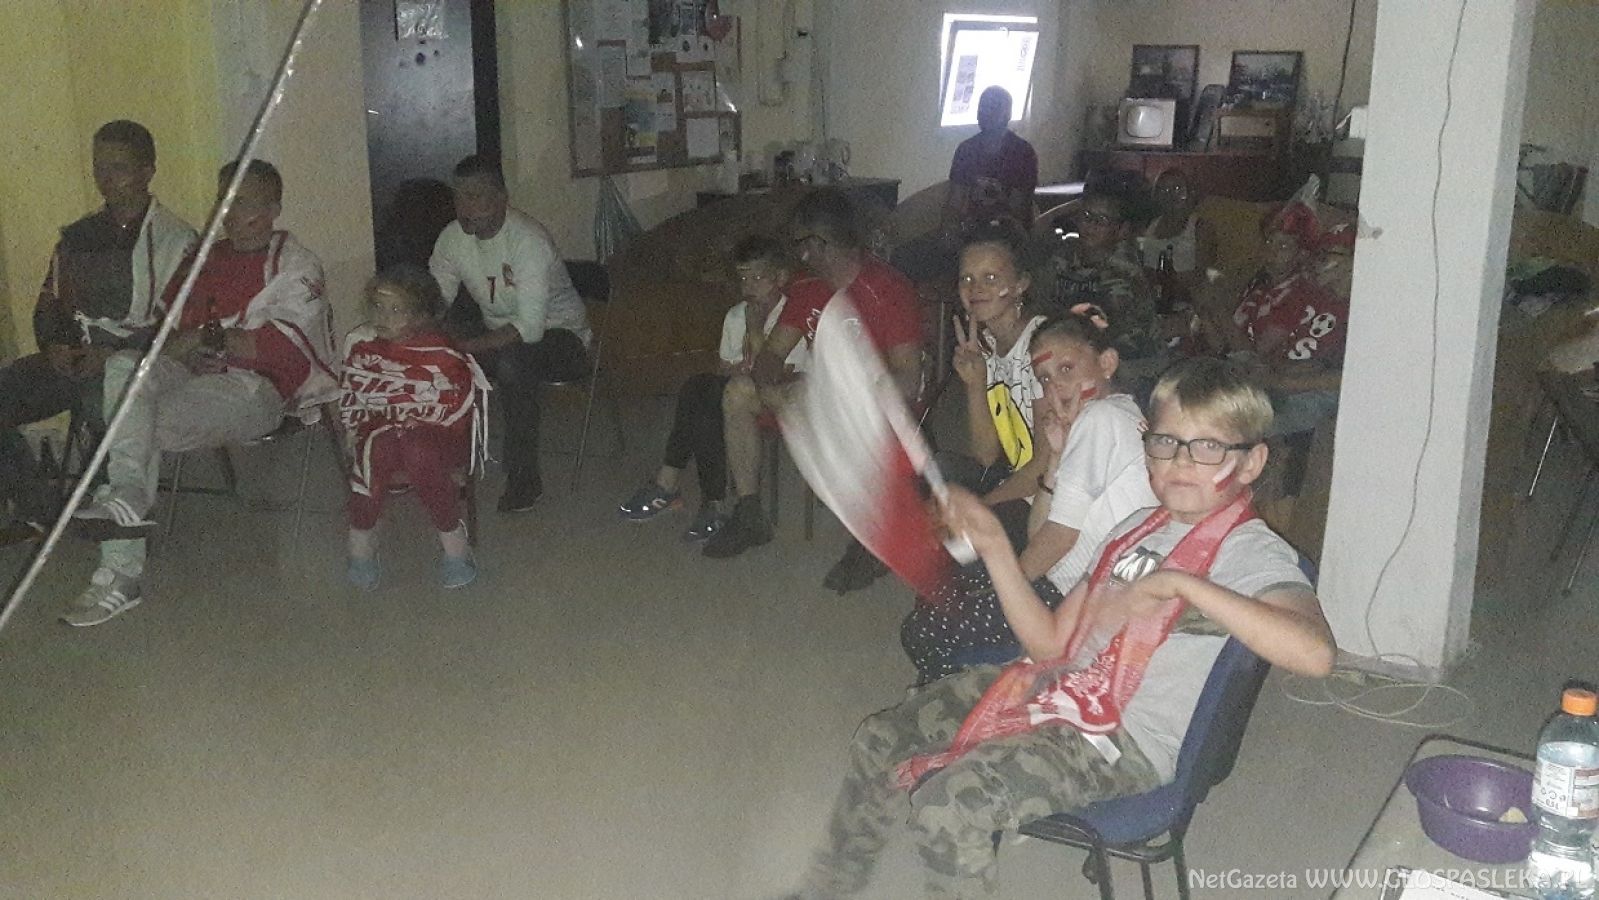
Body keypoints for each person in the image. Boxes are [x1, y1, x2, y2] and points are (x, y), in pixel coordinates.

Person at [782, 357, 1336, 900]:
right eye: (1166, 442)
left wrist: (1180, 585)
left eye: (1209, 447)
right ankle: (833, 885)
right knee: (880, 739)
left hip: (1123, 742)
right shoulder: (1134, 529)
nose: (1180, 462)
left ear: (1251, 462)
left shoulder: (1250, 551)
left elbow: (1316, 654)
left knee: (950, 806)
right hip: (1061, 689)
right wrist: (996, 547)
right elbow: (1049, 644)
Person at [66, 159, 336, 627]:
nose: (227, 213)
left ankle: (120, 573)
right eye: (223, 201)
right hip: (187, 373)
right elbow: (166, 337)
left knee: (131, 421)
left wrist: (203, 341)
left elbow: (276, 351)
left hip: (253, 389)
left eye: (243, 203)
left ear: (274, 209)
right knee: (124, 368)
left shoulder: (296, 265)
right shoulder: (203, 259)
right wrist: (192, 345)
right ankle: (128, 496)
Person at [902, 310, 1158, 685]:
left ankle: (969, 697)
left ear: (1106, 363)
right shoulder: (1112, 415)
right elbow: (1040, 532)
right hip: (1073, 587)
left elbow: (1059, 539)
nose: (1056, 388)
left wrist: (1008, 587)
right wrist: (1055, 459)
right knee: (946, 581)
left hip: (1077, 603)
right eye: (1045, 379)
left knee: (922, 630)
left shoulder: (1101, 418)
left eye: (1067, 369)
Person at [705, 189, 923, 570]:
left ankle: (872, 531)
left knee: (828, 401)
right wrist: (769, 378)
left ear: (818, 245)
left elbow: (907, 378)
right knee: (738, 392)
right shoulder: (809, 290)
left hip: (876, 401)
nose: (797, 254)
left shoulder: (889, 290)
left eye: (800, 243)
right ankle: (749, 512)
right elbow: (772, 356)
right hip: (811, 396)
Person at [0, 121, 197, 520]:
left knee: (105, 403)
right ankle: (39, 505)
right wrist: (55, 345)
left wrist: (111, 355)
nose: (106, 179)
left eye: (118, 168)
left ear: (147, 172)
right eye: (99, 167)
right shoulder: (79, 235)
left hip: (130, 366)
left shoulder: (177, 241)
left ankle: (116, 508)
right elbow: (50, 303)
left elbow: (178, 327)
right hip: (73, 359)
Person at [429, 155, 591, 513]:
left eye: (476, 197)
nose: (465, 209)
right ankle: (440, 465)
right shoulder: (451, 239)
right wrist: (426, 334)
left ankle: (524, 477)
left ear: (502, 198)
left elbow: (529, 328)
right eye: (458, 198)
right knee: (435, 356)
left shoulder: (528, 241)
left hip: (560, 336)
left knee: (512, 364)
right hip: (499, 334)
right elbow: (436, 300)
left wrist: (464, 347)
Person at [618, 235, 803, 542]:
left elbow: (776, 374)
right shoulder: (736, 315)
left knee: (701, 394)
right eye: (742, 278)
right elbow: (724, 367)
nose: (749, 287)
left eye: (758, 278)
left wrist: (756, 330)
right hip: (738, 391)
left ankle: (676, 487)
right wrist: (740, 364)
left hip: (780, 395)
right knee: (702, 395)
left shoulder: (793, 314)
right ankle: (708, 502)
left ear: (780, 277)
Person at [339, 264, 489, 590]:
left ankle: (454, 542)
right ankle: (362, 542)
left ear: (421, 316)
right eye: (378, 306)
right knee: (378, 448)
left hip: (439, 436)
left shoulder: (443, 353)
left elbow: (456, 409)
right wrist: (382, 422)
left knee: (417, 449)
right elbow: (353, 397)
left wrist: (409, 418)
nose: (383, 317)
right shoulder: (360, 344)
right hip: (380, 433)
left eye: (396, 310)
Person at [1229, 201, 1351, 497]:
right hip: (1291, 382)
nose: (1319, 263)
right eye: (1319, 255)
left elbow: (1347, 378)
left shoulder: (1361, 310)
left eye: (1330, 256)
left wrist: (1283, 381)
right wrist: (1274, 372)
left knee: (1240, 425)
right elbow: (1307, 360)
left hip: (1318, 397)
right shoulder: (1319, 297)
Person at [941, 223, 1047, 548]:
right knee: (933, 472)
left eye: (990, 278)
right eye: (966, 279)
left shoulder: (1043, 347)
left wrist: (982, 507)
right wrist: (976, 383)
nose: (975, 289)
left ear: (1020, 285)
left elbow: (1043, 466)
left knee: (966, 531)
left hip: (1052, 495)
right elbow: (987, 455)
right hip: (1016, 477)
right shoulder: (985, 344)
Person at [893, 86, 1039, 286]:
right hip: (969, 228)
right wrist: (948, 231)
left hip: (1005, 232)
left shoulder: (1022, 153)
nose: (986, 113)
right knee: (905, 255)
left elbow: (1018, 210)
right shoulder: (967, 150)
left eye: (993, 108)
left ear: (1007, 114)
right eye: (982, 107)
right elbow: (954, 200)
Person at [1036, 190, 1159, 378]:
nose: (1091, 225)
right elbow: (1042, 303)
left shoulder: (1124, 269)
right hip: (1068, 349)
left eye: (1101, 220)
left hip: (1122, 362)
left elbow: (1120, 333)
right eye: (1086, 216)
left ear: (1120, 229)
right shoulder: (1063, 255)